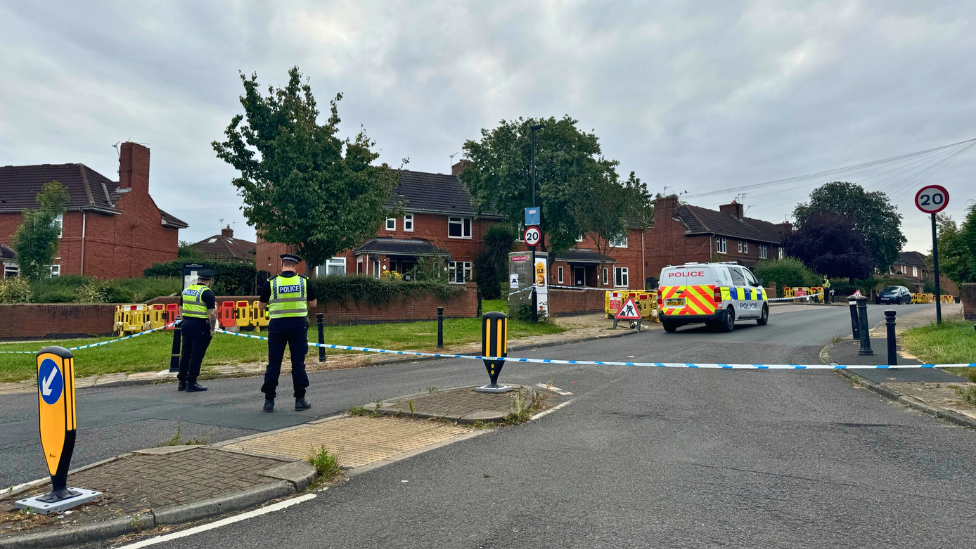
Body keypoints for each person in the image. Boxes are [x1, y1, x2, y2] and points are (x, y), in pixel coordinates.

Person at [258, 253, 317, 412]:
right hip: (298, 325)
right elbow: (313, 303)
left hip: (277, 326)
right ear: (296, 266)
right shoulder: (304, 282)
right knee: (298, 363)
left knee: (274, 363)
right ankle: (300, 399)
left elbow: (261, 307)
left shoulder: (271, 283)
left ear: (282, 265)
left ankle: (269, 401)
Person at [177, 269, 217, 392]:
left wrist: (184, 321)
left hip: (186, 324)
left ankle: (182, 381)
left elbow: (180, 308)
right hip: (200, 325)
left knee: (186, 352)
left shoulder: (186, 290)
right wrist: (212, 328)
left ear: (198, 279)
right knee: (196, 354)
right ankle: (192, 381)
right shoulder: (207, 293)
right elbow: (212, 314)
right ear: (209, 281)